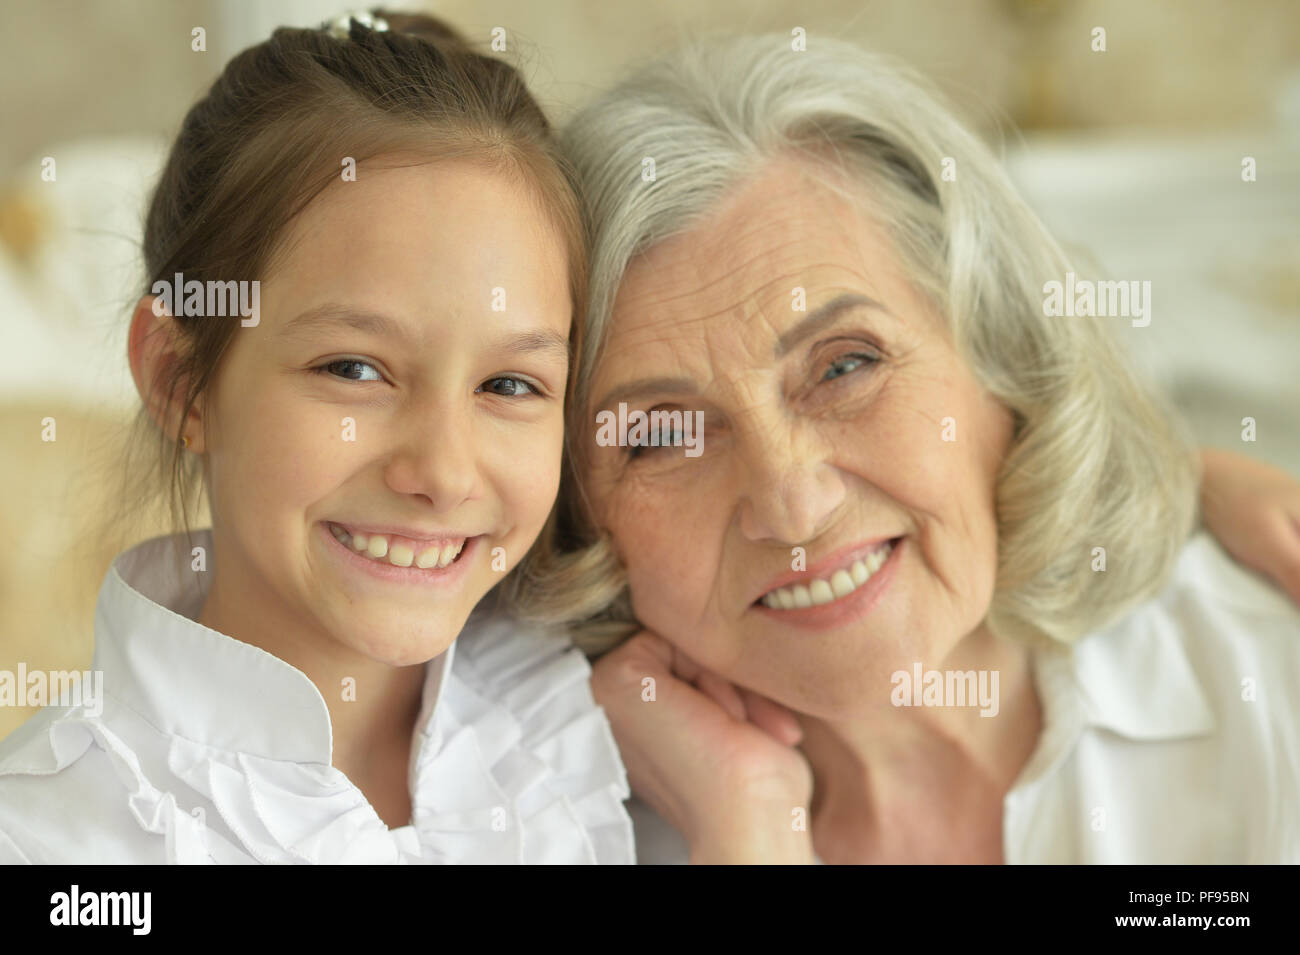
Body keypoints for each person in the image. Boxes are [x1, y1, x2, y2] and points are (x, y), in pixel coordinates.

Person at [540, 33, 1300, 863]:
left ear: (1001, 354)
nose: (792, 502)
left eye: (846, 365)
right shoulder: (543, 826)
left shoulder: (1271, 681)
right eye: (661, 435)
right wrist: (748, 829)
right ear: (579, 511)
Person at [0, 10, 633, 864]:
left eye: (509, 385)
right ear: (181, 383)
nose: (442, 472)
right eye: (354, 369)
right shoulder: (55, 840)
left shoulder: (589, 725)